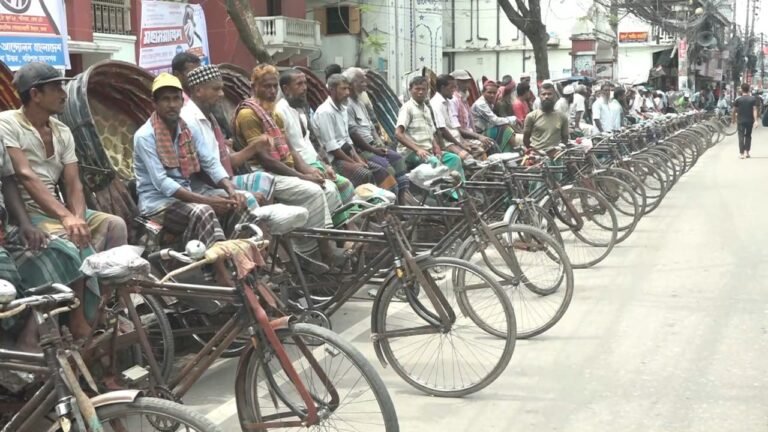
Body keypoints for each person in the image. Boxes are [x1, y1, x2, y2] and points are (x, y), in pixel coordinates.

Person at [179, 65, 308, 235]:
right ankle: (257, 240)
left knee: (264, 180)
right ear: (198, 91)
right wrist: (234, 190)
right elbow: (209, 166)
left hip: (221, 177)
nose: (221, 94)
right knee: (248, 198)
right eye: (216, 89)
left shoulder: (208, 117)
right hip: (203, 185)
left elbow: (223, 161)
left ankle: (266, 237)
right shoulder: (191, 120)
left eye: (221, 89)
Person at [233, 64, 340, 265]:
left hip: (285, 170)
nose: (272, 91)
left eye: (274, 86)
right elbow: (266, 159)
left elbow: (291, 150)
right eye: (267, 86)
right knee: (314, 191)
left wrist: (312, 171)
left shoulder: (273, 113)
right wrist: (303, 177)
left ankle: (311, 247)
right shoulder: (248, 114)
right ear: (254, 87)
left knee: (330, 188)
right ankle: (318, 252)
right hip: (265, 173)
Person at [0, 141, 88, 350]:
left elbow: (7, 181)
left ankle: (31, 334)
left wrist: (25, 224)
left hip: (3, 230)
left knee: (60, 251)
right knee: (4, 269)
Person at [275, 69, 355, 224]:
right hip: (301, 166)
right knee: (339, 187)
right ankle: (338, 229)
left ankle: (345, 227)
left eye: (305, 83)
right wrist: (310, 170)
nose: (304, 88)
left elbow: (308, 143)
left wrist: (324, 165)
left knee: (346, 185)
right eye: (299, 84)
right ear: (286, 89)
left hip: (313, 162)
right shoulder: (280, 112)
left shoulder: (299, 109)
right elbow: (290, 151)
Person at [313, 74, 398, 195]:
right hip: (334, 160)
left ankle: (388, 203)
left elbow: (347, 139)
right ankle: (368, 204)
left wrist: (358, 159)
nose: (347, 92)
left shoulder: (342, 109)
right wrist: (354, 163)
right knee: (364, 174)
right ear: (332, 90)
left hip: (348, 155)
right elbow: (332, 147)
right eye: (343, 89)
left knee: (381, 171)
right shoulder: (325, 112)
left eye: (348, 88)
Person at [342, 67, 414, 202]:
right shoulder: (347, 106)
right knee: (387, 168)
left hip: (373, 145)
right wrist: (374, 149)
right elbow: (353, 134)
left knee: (398, 159)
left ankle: (401, 200)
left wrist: (379, 143)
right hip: (362, 149)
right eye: (361, 82)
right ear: (351, 84)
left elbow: (371, 127)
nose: (365, 85)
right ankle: (390, 205)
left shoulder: (360, 103)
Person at [395, 76, 464, 177]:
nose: (420, 92)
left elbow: (431, 132)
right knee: (434, 162)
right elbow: (398, 134)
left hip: (428, 151)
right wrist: (417, 149)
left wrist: (436, 146)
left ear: (427, 90)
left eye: (423, 89)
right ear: (410, 90)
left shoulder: (426, 109)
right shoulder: (407, 108)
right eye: (417, 89)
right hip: (411, 153)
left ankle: (457, 187)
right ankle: (442, 186)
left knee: (454, 159)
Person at [431, 74, 487, 162]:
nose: (454, 90)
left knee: (480, 151)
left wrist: (463, 142)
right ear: (443, 88)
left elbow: (455, 128)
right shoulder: (436, 104)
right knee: (468, 158)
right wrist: (460, 145)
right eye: (452, 87)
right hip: (447, 143)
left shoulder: (448, 102)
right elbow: (442, 131)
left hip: (456, 139)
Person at [450, 70, 501, 152]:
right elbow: (457, 128)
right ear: (455, 82)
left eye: (467, 82)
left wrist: (477, 136)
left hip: (471, 134)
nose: (467, 85)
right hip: (462, 137)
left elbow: (471, 122)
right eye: (463, 82)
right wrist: (478, 136)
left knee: (494, 141)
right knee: (490, 144)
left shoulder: (464, 98)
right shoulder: (454, 99)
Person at [470, 80, 519, 152]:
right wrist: (513, 119)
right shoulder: (481, 104)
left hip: (487, 129)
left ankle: (510, 152)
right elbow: (495, 120)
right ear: (483, 92)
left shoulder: (490, 103)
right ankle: (517, 149)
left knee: (506, 128)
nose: (492, 95)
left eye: (494, 93)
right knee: (506, 129)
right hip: (478, 133)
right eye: (489, 92)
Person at [523, 83, 569, 155]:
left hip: (555, 156)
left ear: (554, 95)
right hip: (537, 156)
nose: (546, 97)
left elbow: (565, 138)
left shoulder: (562, 117)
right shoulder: (531, 116)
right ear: (539, 96)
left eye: (549, 94)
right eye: (543, 94)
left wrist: (557, 151)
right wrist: (534, 152)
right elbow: (526, 139)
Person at [732, 83, 760, 159]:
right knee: (748, 135)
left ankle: (741, 154)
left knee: (741, 136)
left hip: (740, 121)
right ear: (749, 89)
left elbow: (734, 110)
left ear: (741, 90)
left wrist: (733, 119)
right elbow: (755, 110)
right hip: (749, 120)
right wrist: (756, 120)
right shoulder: (753, 99)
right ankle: (747, 152)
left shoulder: (738, 99)